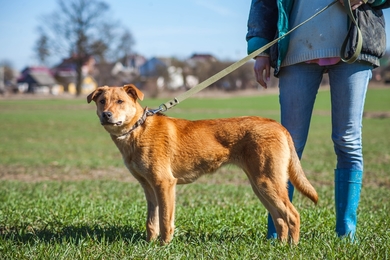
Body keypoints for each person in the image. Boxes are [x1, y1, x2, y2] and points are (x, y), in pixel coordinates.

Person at [246, 0, 389, 240]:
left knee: (348, 141)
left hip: (354, 44)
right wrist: (260, 49)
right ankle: (277, 233)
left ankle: (346, 235)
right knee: (289, 143)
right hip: (296, 46)